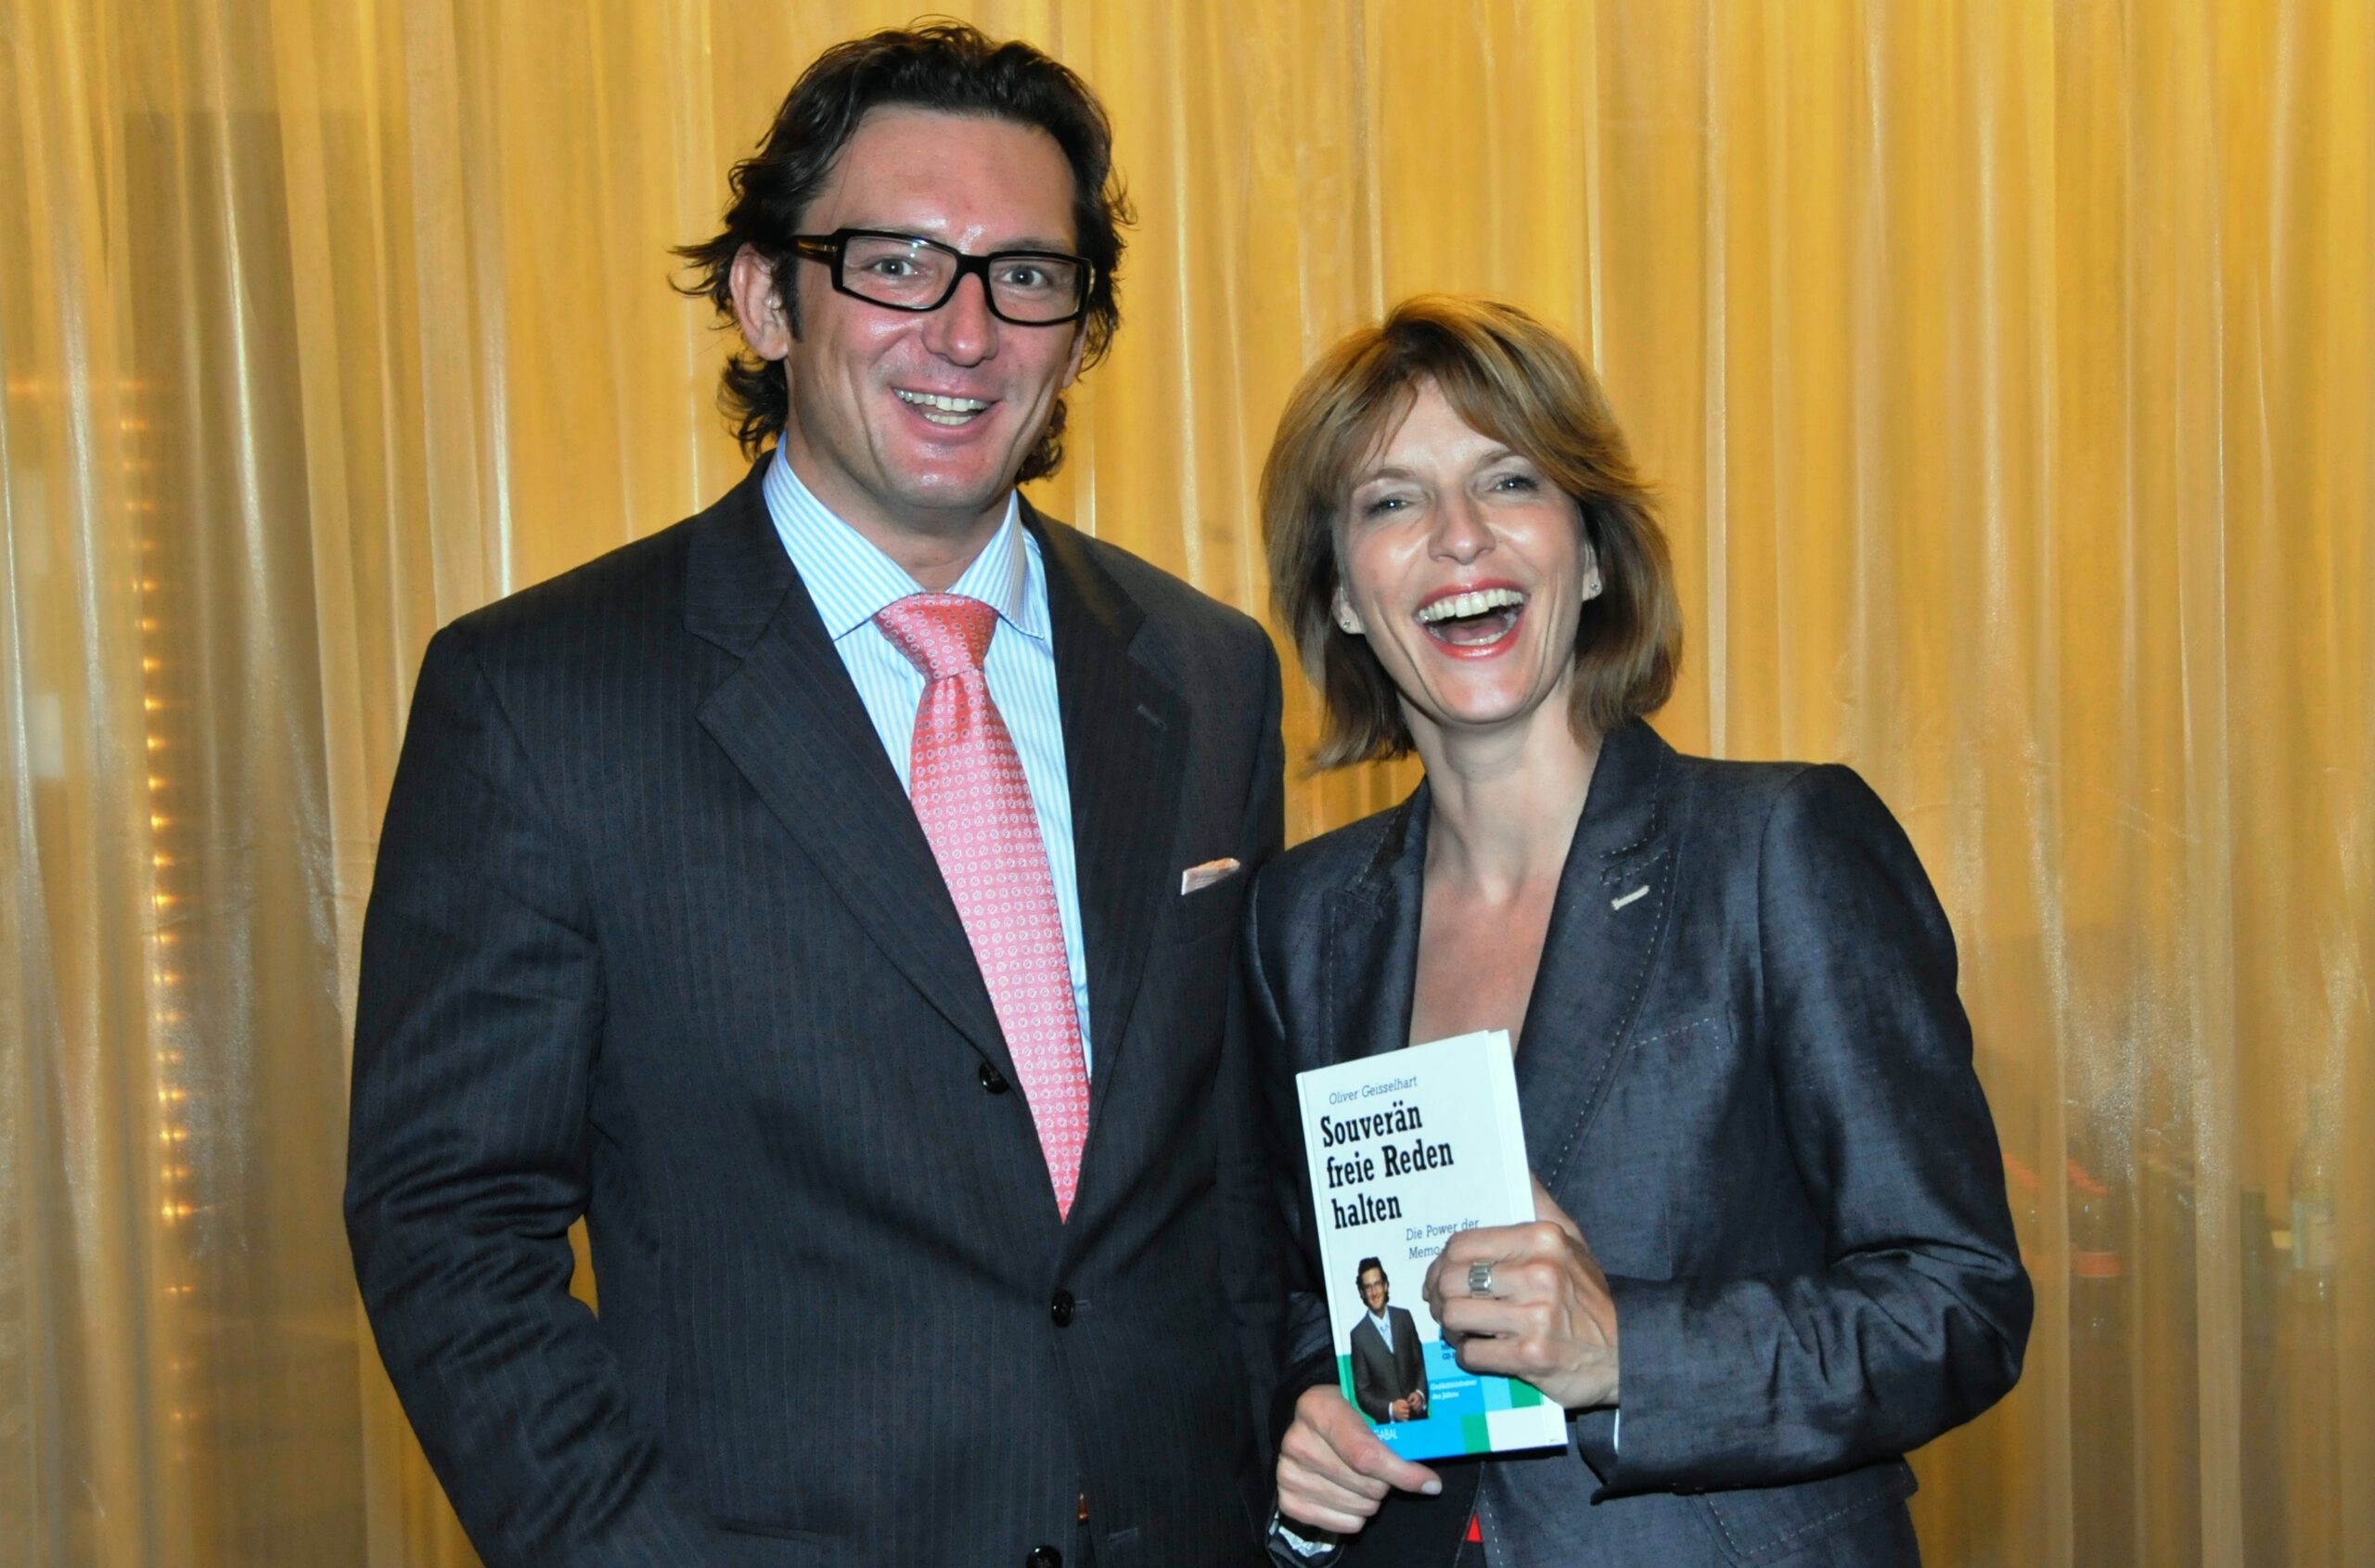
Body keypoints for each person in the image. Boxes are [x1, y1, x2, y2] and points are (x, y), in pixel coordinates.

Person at [345, 24, 1285, 1568]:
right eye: (896, 263)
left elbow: (1231, 1186)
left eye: (1026, 275)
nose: (966, 333)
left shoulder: (1208, 672)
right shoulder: (539, 697)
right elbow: (450, 1225)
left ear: (1079, 334)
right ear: (766, 297)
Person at [1248, 296, 2030, 1566]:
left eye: (1510, 479)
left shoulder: (1779, 847)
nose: (1459, 535)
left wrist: (1630, 1352)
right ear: (1339, 592)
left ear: (1594, 556)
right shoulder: (1304, 919)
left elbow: (1957, 1300)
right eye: (1392, 501)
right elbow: (1302, 1289)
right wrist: (1313, 1410)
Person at [1347, 1259, 1431, 1425]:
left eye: (1377, 1284)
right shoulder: (1358, 1336)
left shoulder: (1405, 1318)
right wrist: (1390, 1409)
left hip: (1420, 1421)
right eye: (1368, 1287)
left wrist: (1420, 1393)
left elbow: (1420, 1363)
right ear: (1362, 1293)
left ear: (1385, 1286)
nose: (1374, 1292)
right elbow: (1362, 1393)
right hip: (1389, 1431)